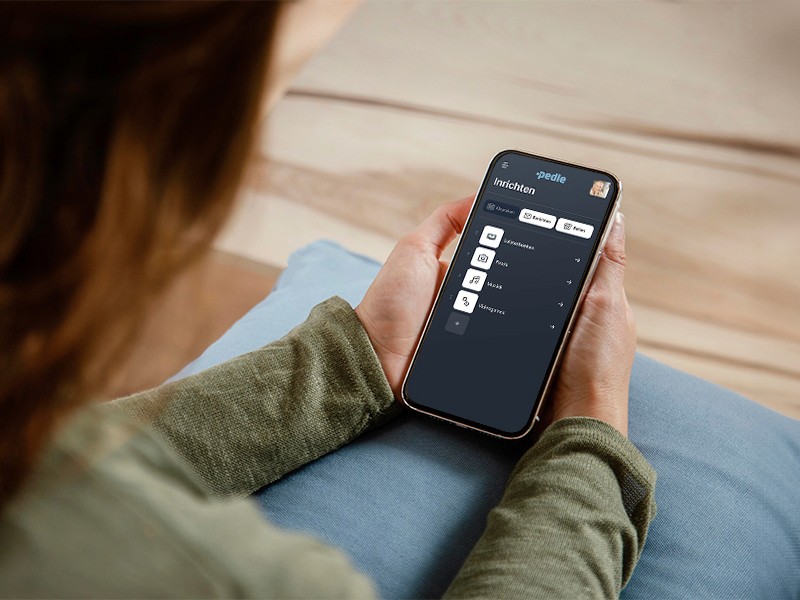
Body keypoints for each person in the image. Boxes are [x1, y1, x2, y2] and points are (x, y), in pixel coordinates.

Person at [0, 2, 655, 598]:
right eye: (280, 77)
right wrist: (592, 425)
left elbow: (67, 471)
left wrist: (356, 359)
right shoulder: (241, 578)